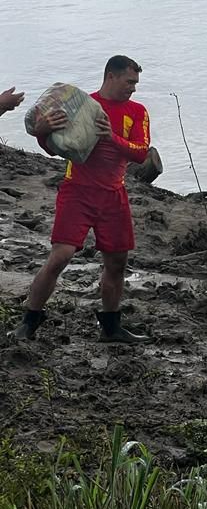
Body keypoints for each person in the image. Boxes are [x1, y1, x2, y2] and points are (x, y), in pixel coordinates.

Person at [9, 56, 151, 343]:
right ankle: (29, 321)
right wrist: (43, 130)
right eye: (129, 82)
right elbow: (53, 148)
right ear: (111, 76)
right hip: (77, 191)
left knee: (117, 263)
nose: (133, 89)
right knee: (60, 257)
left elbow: (140, 152)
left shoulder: (137, 111)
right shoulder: (81, 104)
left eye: (135, 83)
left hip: (114, 194)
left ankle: (111, 328)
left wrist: (111, 138)